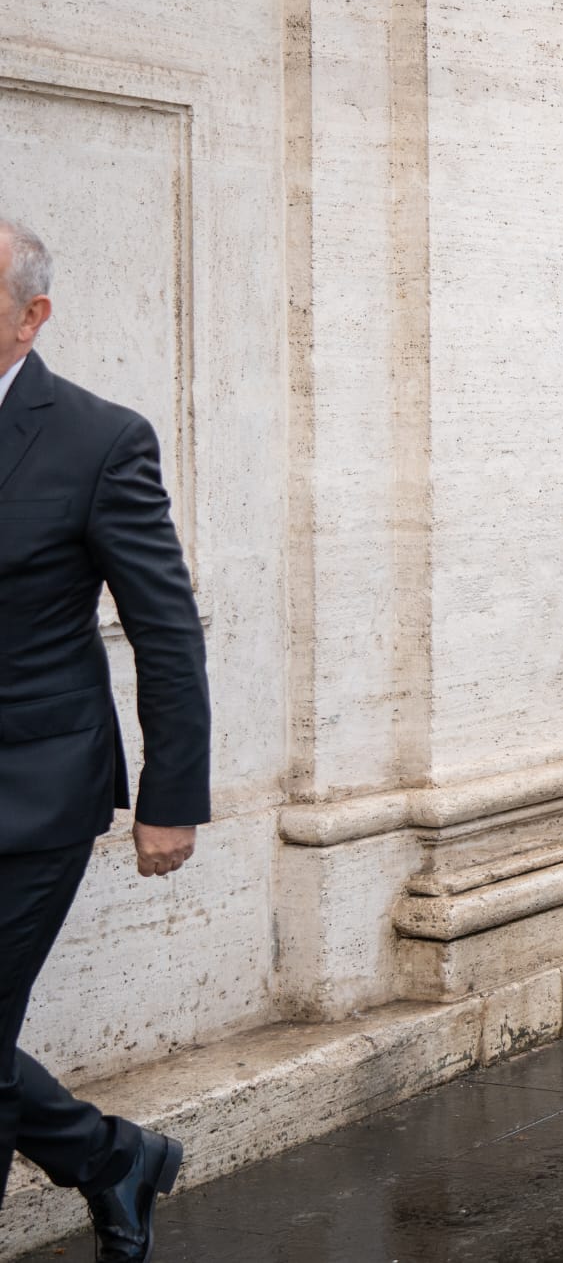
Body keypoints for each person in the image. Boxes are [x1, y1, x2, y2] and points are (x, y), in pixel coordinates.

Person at [0, 217, 208, 1260]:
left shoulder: (99, 439)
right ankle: (110, 1156)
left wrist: (172, 796)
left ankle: (112, 1157)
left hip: (28, 792)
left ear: (30, 315)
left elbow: (165, 628)